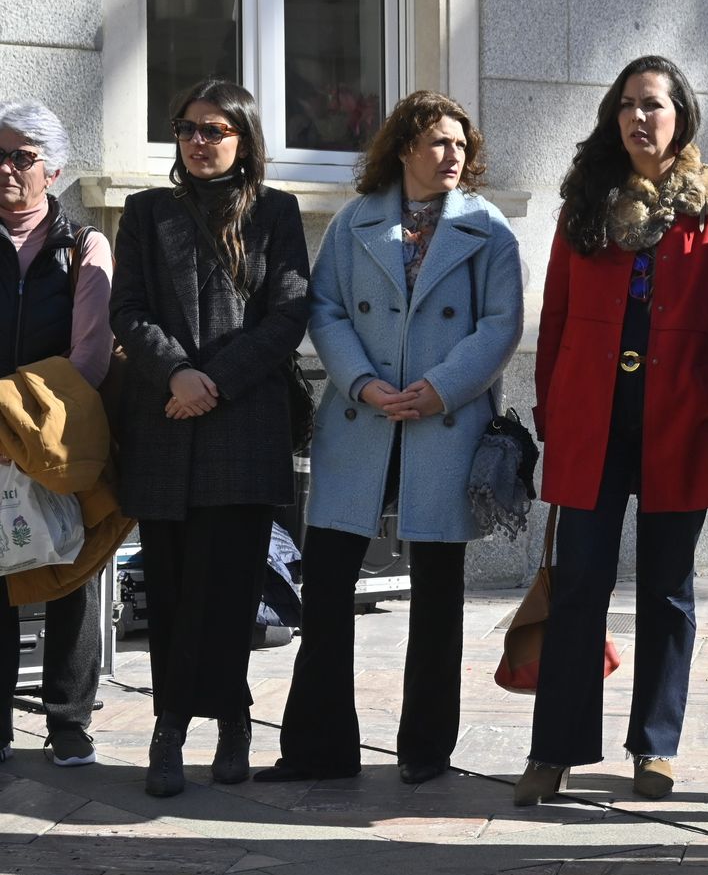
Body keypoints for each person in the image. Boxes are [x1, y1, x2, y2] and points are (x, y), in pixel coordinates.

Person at [519, 56, 708, 804]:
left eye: (653, 105)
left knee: (667, 591)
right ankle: (553, 752)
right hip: (590, 424)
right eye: (626, 105)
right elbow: (557, 321)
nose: (638, 118)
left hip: (677, 426)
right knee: (579, 587)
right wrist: (552, 415)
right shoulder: (585, 205)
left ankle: (654, 747)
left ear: (681, 117)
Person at [257, 90, 522, 787]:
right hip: (363, 418)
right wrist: (362, 382)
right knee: (328, 584)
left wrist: (441, 387)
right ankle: (319, 748)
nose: (453, 156)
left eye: (462, 145)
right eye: (439, 142)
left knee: (438, 590)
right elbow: (326, 308)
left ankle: (426, 748)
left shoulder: (488, 229)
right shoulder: (355, 223)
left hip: (445, 420)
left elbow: (501, 325)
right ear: (404, 147)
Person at [110, 79, 310, 797]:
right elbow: (127, 309)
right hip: (166, 422)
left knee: (230, 589)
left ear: (244, 139)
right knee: (168, 588)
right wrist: (176, 375)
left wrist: (213, 381)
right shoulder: (145, 212)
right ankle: (169, 729)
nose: (199, 141)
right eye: (188, 128)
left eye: (215, 130)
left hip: (243, 420)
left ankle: (232, 716)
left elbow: (288, 315)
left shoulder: (277, 212)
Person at [0, 100, 114, 768]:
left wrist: (25, 416)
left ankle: (68, 718)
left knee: (71, 563)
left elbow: (91, 356)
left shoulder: (84, 245)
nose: (7, 168)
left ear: (54, 169)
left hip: (57, 431)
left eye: (22, 156)